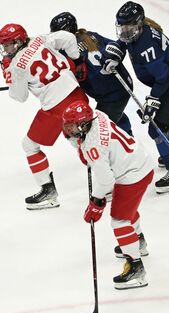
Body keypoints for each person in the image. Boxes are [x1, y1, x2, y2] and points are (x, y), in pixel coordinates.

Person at [102, 2, 169, 194]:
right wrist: (117, 53)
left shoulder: (147, 45)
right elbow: (124, 41)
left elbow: (164, 77)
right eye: (122, 27)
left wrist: (153, 101)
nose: (124, 31)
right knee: (164, 119)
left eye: (128, 27)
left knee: (158, 127)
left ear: (139, 24)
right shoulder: (137, 34)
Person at [0, 23, 90, 210]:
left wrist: (9, 73)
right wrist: (75, 58)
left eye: (7, 45)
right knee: (82, 140)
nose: (4, 49)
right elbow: (68, 37)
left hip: (56, 107)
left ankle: (48, 191)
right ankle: (112, 180)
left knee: (29, 145)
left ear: (17, 43)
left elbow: (19, 96)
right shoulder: (39, 39)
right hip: (77, 94)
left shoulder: (16, 67)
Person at [62, 100, 153, 289]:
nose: (68, 130)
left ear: (83, 124)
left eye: (71, 126)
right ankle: (138, 241)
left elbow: (106, 181)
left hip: (132, 174)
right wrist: (78, 142)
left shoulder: (94, 146)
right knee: (126, 207)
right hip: (138, 160)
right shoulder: (98, 115)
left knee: (119, 220)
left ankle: (136, 267)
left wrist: (96, 202)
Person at [49, 11, 135, 136]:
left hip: (111, 95)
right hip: (122, 85)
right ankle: (127, 135)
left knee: (96, 132)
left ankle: (126, 144)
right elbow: (117, 47)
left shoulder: (65, 52)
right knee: (113, 114)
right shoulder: (90, 35)